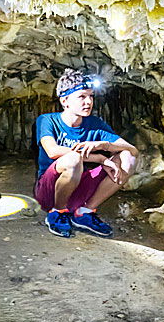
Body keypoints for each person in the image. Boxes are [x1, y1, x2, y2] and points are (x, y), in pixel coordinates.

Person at [35, 68, 138, 238]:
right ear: (65, 100)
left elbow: (132, 149)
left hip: (79, 191)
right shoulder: (47, 120)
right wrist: (100, 158)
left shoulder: (95, 123)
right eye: (82, 97)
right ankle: (58, 212)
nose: (88, 102)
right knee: (73, 159)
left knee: (129, 157)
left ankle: (85, 213)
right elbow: (53, 151)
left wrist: (103, 144)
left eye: (91, 96)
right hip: (49, 192)